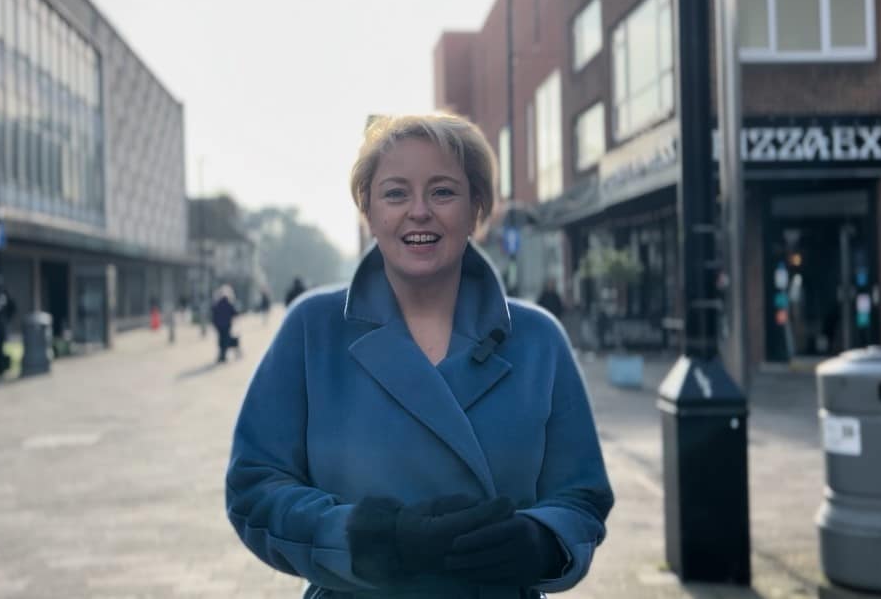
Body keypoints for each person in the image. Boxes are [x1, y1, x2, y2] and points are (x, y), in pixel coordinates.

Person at [226, 113, 612, 598]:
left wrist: (541, 541)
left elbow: (580, 496)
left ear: (476, 209)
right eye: (395, 193)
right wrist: (375, 539)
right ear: (368, 211)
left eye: (443, 191)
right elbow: (256, 488)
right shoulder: (311, 329)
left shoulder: (539, 339)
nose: (419, 211)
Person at [0, 280, 17, 374]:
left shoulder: (5, 297)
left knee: (1, 347)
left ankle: (1, 368)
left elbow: (13, 307)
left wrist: (8, 318)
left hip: (3, 325)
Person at [211, 285, 240, 362]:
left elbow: (214, 313)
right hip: (226, 325)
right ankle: (223, 355)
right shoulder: (229, 303)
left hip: (219, 326)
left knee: (221, 339)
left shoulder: (217, 303)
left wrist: (214, 323)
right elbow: (234, 313)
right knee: (225, 339)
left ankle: (222, 355)